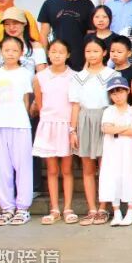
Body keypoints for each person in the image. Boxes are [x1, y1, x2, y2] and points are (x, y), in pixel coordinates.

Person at [0, 36, 35, 226]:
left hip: (20, 124)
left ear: (21, 53)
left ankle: (23, 208)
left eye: (15, 50)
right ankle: (7, 207)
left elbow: (26, 100)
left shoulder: (25, 74)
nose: (10, 53)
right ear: (1, 52)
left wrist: (25, 116)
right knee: (1, 167)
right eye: (7, 50)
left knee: (23, 166)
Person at [70, 37, 119, 226]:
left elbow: (117, 100)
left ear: (104, 53)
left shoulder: (111, 74)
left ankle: (103, 207)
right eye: (88, 51)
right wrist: (72, 130)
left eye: (96, 51)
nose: (92, 55)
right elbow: (75, 105)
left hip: (105, 119)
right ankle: (91, 208)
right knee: (87, 168)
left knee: (105, 166)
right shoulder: (78, 77)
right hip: (84, 120)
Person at [31, 40, 76, 225]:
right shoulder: (40, 77)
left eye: (61, 52)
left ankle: (68, 207)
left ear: (68, 55)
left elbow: (75, 104)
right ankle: (54, 208)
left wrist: (73, 128)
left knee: (67, 169)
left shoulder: (74, 76)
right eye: (53, 51)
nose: (57, 55)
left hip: (67, 125)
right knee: (51, 170)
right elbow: (40, 103)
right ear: (48, 54)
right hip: (48, 125)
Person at [98, 76, 132, 227]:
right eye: (114, 93)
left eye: (121, 92)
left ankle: (130, 211)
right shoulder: (109, 111)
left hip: (129, 149)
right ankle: (116, 212)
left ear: (128, 92)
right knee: (113, 177)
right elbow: (106, 129)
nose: (118, 96)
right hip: (112, 150)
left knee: (130, 176)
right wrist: (125, 127)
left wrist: (116, 128)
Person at [38, 0, 94, 69]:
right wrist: (44, 58)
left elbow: (91, 34)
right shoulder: (49, 4)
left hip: (81, 59)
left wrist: (89, 60)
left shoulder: (87, 4)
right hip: (57, 57)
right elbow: (44, 34)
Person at [0, 7, 47, 73]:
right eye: (7, 24)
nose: (11, 27)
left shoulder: (36, 46)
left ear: (24, 23)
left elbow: (41, 74)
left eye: (15, 23)